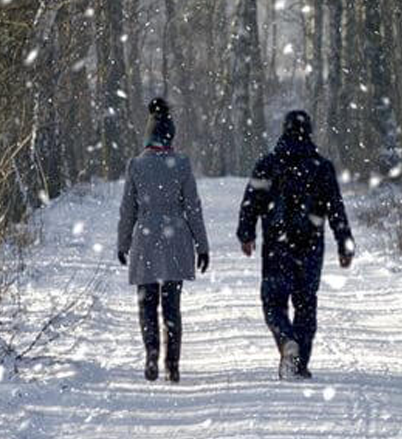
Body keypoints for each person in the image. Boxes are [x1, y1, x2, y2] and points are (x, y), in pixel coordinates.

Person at [237, 110, 354, 380]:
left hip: (277, 245)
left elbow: (251, 201)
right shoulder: (321, 168)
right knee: (306, 303)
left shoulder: (268, 164)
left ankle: (286, 339)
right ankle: (300, 363)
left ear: (284, 131)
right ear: (309, 132)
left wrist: (246, 234)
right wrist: (344, 244)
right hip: (310, 245)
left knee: (273, 301)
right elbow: (336, 208)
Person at [117, 98, 209, 383]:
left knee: (146, 303)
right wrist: (201, 245)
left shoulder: (136, 166)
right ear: (171, 135)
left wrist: (123, 243)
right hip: (175, 238)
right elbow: (193, 206)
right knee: (172, 304)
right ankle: (173, 364)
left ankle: (151, 355)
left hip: (145, 237)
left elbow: (127, 209)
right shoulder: (181, 164)